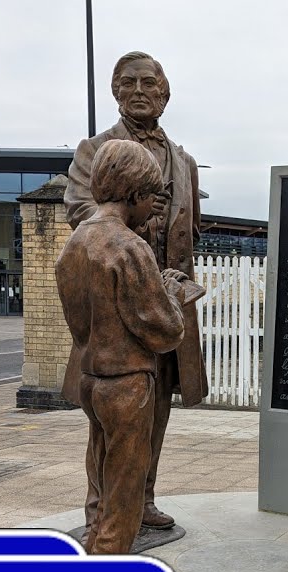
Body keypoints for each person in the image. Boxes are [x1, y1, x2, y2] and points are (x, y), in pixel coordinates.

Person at [64, 51, 208, 539]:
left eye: (150, 82)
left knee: (156, 408)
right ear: (116, 91)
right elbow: (84, 213)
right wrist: (137, 225)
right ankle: (100, 511)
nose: (140, 90)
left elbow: (191, 231)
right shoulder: (96, 150)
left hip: (166, 301)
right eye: (129, 83)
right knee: (110, 418)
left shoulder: (185, 162)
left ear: (165, 93)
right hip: (117, 306)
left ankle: (141, 499)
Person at [56, 138, 188, 572]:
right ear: (132, 192)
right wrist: (173, 293)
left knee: (100, 488)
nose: (154, 207)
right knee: (125, 499)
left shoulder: (75, 245)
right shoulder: (128, 247)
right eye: (151, 198)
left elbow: (83, 319)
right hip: (127, 384)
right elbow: (162, 330)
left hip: (92, 381)